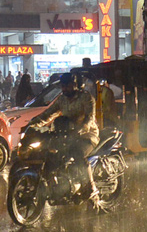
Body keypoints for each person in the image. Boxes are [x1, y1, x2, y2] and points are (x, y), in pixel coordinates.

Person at [29, 72, 100, 205]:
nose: (65, 89)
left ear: (74, 85)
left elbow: (90, 118)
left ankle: (91, 187)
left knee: (78, 153)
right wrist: (32, 124)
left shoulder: (86, 98)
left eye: (67, 86)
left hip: (87, 135)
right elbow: (48, 114)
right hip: (67, 135)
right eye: (63, 86)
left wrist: (81, 129)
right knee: (51, 154)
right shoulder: (62, 99)